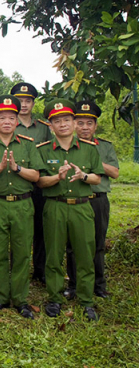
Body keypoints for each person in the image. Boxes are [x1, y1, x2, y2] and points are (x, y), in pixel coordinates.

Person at [37, 99, 104, 321]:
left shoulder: (89, 149)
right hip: (55, 206)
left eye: (67, 120)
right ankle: (55, 298)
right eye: (57, 121)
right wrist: (58, 177)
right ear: (51, 126)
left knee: (85, 254)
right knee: (54, 255)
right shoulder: (43, 150)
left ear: (74, 123)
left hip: (82, 207)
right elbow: (40, 182)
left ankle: (86, 300)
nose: (63, 124)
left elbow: (97, 177)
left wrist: (83, 176)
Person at [0, 95, 43, 318]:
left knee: (22, 252)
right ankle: (0, 297)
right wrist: (0, 167)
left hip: (23, 204)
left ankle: (20, 298)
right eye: (1, 117)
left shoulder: (27, 145)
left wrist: (16, 169)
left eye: (11, 117)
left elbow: (36, 175)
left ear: (17, 121)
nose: (7, 121)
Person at [64, 100, 119, 300]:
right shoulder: (66, 145)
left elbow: (114, 172)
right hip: (76, 199)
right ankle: (74, 284)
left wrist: (92, 161)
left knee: (98, 243)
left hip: (97, 200)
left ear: (95, 126)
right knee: (72, 245)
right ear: (73, 124)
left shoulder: (104, 147)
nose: (84, 127)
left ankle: (99, 284)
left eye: (89, 123)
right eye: (80, 123)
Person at [10, 82, 53, 284]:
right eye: (20, 101)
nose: (24, 105)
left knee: (40, 228)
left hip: (39, 184)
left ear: (34, 103)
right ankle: (16, 268)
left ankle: (40, 269)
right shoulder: (7, 124)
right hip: (15, 183)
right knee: (16, 230)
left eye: (28, 101)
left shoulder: (44, 129)